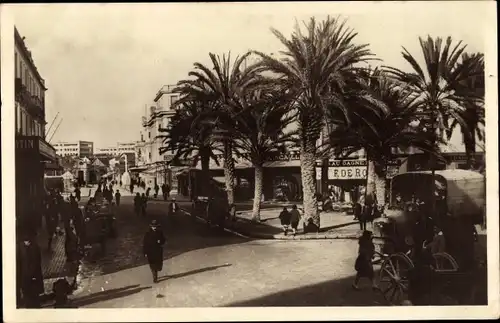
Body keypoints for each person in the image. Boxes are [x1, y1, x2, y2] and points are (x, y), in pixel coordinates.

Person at [17, 233, 44, 308]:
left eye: (28, 241)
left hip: (33, 275)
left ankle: (34, 305)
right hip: (25, 275)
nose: (27, 243)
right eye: (26, 241)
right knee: (27, 293)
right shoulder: (20, 248)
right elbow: (19, 262)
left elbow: (37, 262)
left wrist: (33, 275)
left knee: (34, 293)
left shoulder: (34, 248)